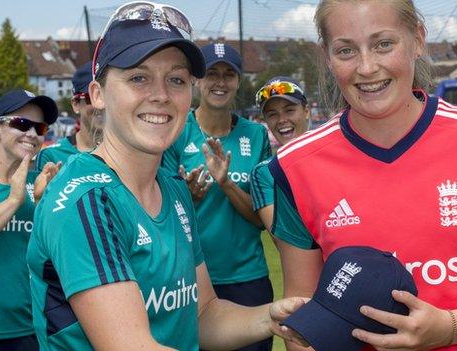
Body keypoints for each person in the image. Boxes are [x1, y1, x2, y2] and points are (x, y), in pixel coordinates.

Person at [267, 1, 457, 350]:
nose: (367, 67)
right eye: (346, 50)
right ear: (327, 57)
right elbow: (304, 324)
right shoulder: (294, 167)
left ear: (418, 40)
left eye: (384, 44)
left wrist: (450, 327)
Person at [26, 2, 306, 350]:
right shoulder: (86, 200)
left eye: (176, 79)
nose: (160, 95)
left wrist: (270, 316)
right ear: (97, 95)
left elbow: (204, 315)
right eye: (138, 77)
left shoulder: (173, 188)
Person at [162, 43, 274, 351]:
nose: (220, 82)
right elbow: (161, 213)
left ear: (239, 81)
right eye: (212, 73)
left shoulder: (257, 135)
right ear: (198, 79)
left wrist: (225, 183)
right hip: (191, 280)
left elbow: (261, 220)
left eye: (229, 74)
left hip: (247, 278)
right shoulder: (175, 132)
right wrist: (190, 197)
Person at [0, 89, 59, 351]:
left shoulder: (42, 184)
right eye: (22, 123)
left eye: (40, 127)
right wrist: (12, 201)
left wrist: (46, 205)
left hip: (33, 328)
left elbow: (57, 256)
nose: (32, 134)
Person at [250, 76, 310, 232]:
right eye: (272, 114)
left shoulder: (334, 154)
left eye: (289, 110)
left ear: (306, 111)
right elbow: (284, 239)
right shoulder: (264, 173)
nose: (282, 120)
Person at [35, 61, 103, 170]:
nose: (101, 105)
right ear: (75, 104)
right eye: (90, 98)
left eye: (108, 96)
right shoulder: (52, 156)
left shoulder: (130, 152)